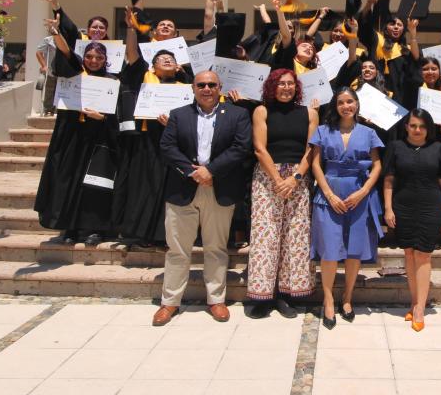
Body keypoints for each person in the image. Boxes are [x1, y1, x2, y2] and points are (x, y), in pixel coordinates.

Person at [152, 70, 253, 326]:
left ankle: (216, 299)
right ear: (193, 88)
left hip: (219, 188)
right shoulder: (179, 115)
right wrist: (191, 171)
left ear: (220, 88)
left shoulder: (237, 114)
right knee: (177, 250)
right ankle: (170, 302)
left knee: (216, 248)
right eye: (201, 85)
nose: (206, 89)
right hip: (183, 188)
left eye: (211, 85)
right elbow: (167, 147)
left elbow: (241, 147)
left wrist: (212, 171)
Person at [33, 17, 119, 247]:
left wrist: (102, 118)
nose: (93, 60)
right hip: (73, 138)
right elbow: (67, 53)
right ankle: (70, 227)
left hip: (99, 140)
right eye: (89, 56)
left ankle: (95, 229)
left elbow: (117, 114)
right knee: (68, 181)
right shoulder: (73, 75)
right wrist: (56, 33)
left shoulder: (112, 82)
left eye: (99, 57)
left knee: (95, 185)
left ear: (105, 60)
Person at [113, 6, 191, 246]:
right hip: (147, 139)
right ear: (153, 65)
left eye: (171, 59)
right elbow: (133, 53)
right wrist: (131, 28)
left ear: (178, 65)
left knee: (168, 188)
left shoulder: (185, 84)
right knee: (145, 185)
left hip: (176, 142)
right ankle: (139, 233)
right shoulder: (143, 76)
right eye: (161, 59)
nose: (166, 60)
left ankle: (163, 236)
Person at [246, 69, 319, 318]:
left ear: (296, 87)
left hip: (298, 177)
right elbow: (259, 148)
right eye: (280, 84)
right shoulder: (262, 111)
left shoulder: (310, 113)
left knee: (295, 236)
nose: (285, 88)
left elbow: (311, 150)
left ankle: (287, 295)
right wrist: (278, 179)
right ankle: (264, 296)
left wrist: (295, 178)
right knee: (266, 236)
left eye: (290, 84)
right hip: (268, 177)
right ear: (271, 87)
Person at [309, 88, 384, 329]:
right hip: (329, 194)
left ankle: (348, 297)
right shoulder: (322, 130)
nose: (346, 106)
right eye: (341, 102)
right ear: (335, 106)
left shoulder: (369, 132)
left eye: (350, 101)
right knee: (330, 250)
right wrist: (328, 194)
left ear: (357, 104)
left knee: (354, 250)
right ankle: (329, 298)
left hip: (359, 195)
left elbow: (377, 165)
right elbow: (316, 164)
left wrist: (363, 192)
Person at [383, 109, 441, 332]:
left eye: (422, 126)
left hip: (431, 206)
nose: (417, 130)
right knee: (409, 253)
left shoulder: (438, 148)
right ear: (406, 126)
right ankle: (414, 303)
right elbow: (389, 180)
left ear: (428, 128)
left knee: (423, 254)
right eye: (413, 125)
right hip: (403, 206)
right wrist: (388, 209)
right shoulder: (396, 147)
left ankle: (421, 308)